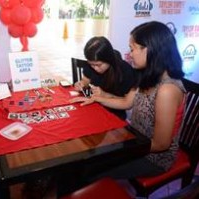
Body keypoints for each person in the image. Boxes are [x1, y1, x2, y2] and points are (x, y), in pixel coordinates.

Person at [72, 21, 186, 179]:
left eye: (132, 49)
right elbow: (126, 102)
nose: (130, 54)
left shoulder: (167, 90)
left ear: (150, 49)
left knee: (91, 170)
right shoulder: (145, 74)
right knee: (86, 162)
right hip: (135, 142)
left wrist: (121, 148)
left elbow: (161, 144)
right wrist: (97, 98)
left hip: (152, 158)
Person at [73, 36, 136, 120]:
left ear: (108, 59)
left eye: (98, 65)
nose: (95, 68)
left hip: (114, 115)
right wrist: (82, 84)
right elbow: (86, 80)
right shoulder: (91, 65)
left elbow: (127, 102)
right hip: (94, 109)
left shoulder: (124, 70)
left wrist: (104, 95)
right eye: (91, 64)